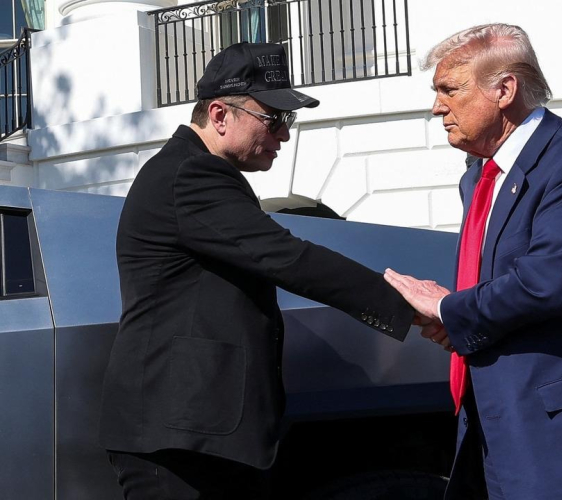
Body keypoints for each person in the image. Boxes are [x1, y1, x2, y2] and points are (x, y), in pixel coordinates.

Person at [99, 42, 414, 499]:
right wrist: (408, 305)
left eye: (289, 119)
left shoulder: (191, 171)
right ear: (220, 115)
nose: (283, 134)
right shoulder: (191, 175)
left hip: (196, 432)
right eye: (273, 119)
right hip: (181, 439)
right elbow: (287, 257)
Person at [384, 24, 562, 500]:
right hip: (506, 432)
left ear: (504, 90)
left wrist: (449, 309)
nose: (437, 106)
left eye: (449, 90)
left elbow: (548, 282)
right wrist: (458, 322)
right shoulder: (479, 173)